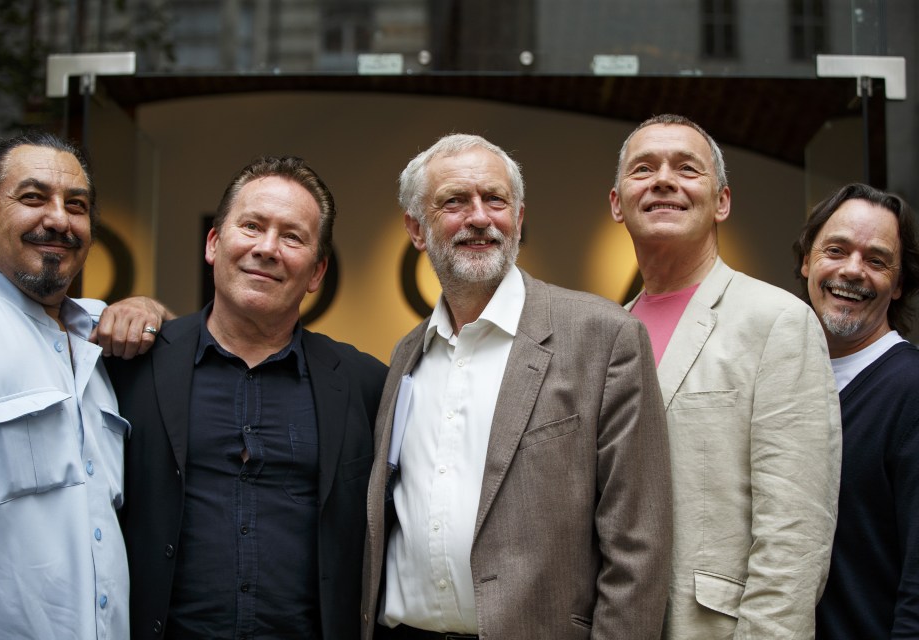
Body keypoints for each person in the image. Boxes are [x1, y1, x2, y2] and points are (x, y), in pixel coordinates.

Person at [361, 133, 673, 640]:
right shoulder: (406, 356)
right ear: (416, 229)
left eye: (495, 199)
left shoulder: (603, 336)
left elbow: (638, 542)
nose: (479, 217)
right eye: (455, 202)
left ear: (519, 218)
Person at [108, 155, 387, 639]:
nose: (268, 248)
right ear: (214, 244)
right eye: (252, 226)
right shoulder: (134, 367)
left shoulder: (364, 383)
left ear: (317, 271)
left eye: (293, 236)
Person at [608, 114, 842, 638]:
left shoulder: (777, 320)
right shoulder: (610, 332)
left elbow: (795, 534)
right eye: (643, 168)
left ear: (722, 202)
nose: (664, 179)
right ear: (618, 203)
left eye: (687, 168)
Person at [0, 131, 132, 639]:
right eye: (33, 198)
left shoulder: (97, 339)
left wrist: (148, 311)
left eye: (76, 205)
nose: (59, 219)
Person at [793, 183, 919, 638]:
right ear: (808, 260)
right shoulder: (779, 382)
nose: (852, 270)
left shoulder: (910, 389)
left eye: (877, 259)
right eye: (836, 250)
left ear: (900, 283)